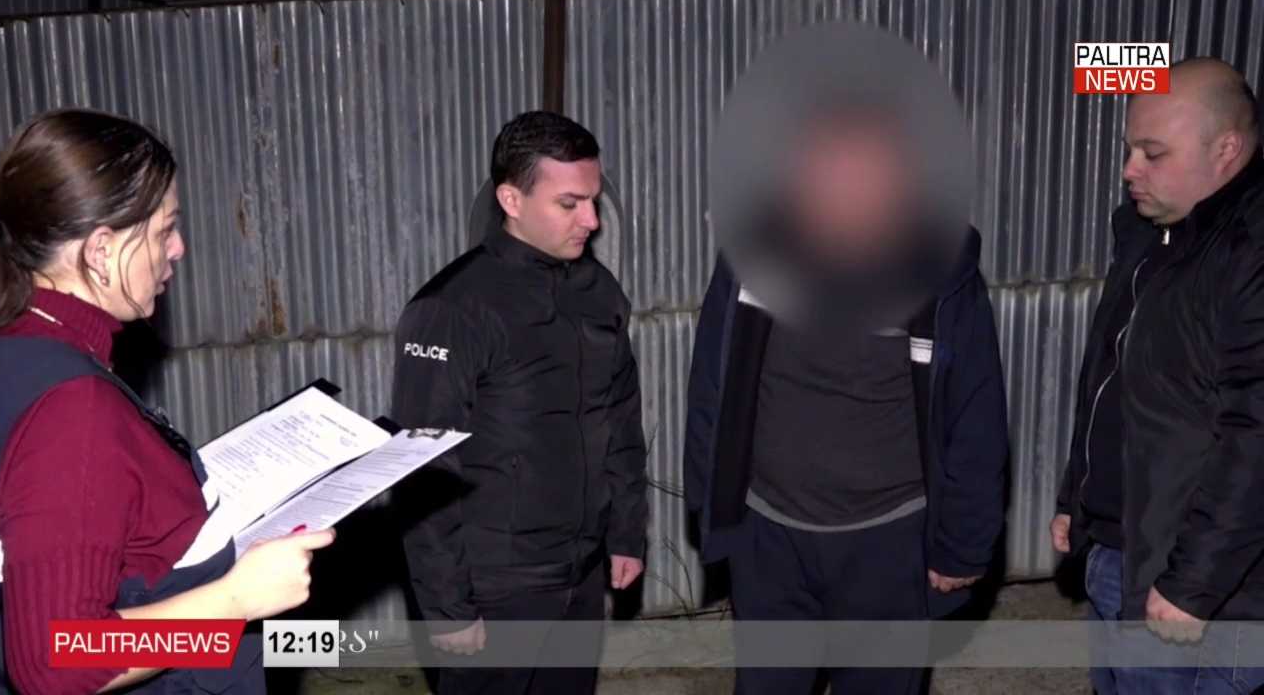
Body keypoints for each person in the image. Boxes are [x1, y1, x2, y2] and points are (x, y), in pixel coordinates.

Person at [0, 109, 334, 694]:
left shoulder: (10, 348)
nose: (178, 248)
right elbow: (57, 661)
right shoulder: (72, 409)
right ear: (101, 251)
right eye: (164, 228)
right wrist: (238, 598)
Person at [683, 111, 1010, 694]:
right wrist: (713, 506)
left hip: (890, 540)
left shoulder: (941, 273)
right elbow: (713, 379)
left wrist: (963, 544)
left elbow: (976, 415)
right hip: (769, 537)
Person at [391, 110, 647, 695]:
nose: (591, 220)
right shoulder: (452, 310)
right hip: (496, 588)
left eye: (593, 200)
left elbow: (621, 421)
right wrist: (448, 608)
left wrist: (627, 533)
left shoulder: (599, 291)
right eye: (569, 203)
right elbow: (421, 469)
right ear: (511, 199)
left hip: (580, 574)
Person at [1052, 57, 1264, 694]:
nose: (1129, 169)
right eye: (1128, 150)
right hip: (1122, 554)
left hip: (1197, 595)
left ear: (1226, 150)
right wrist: (1076, 497)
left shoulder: (1249, 254)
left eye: (1153, 152)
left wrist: (1192, 586)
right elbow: (1113, 378)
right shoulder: (1155, 234)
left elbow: (1255, 437)